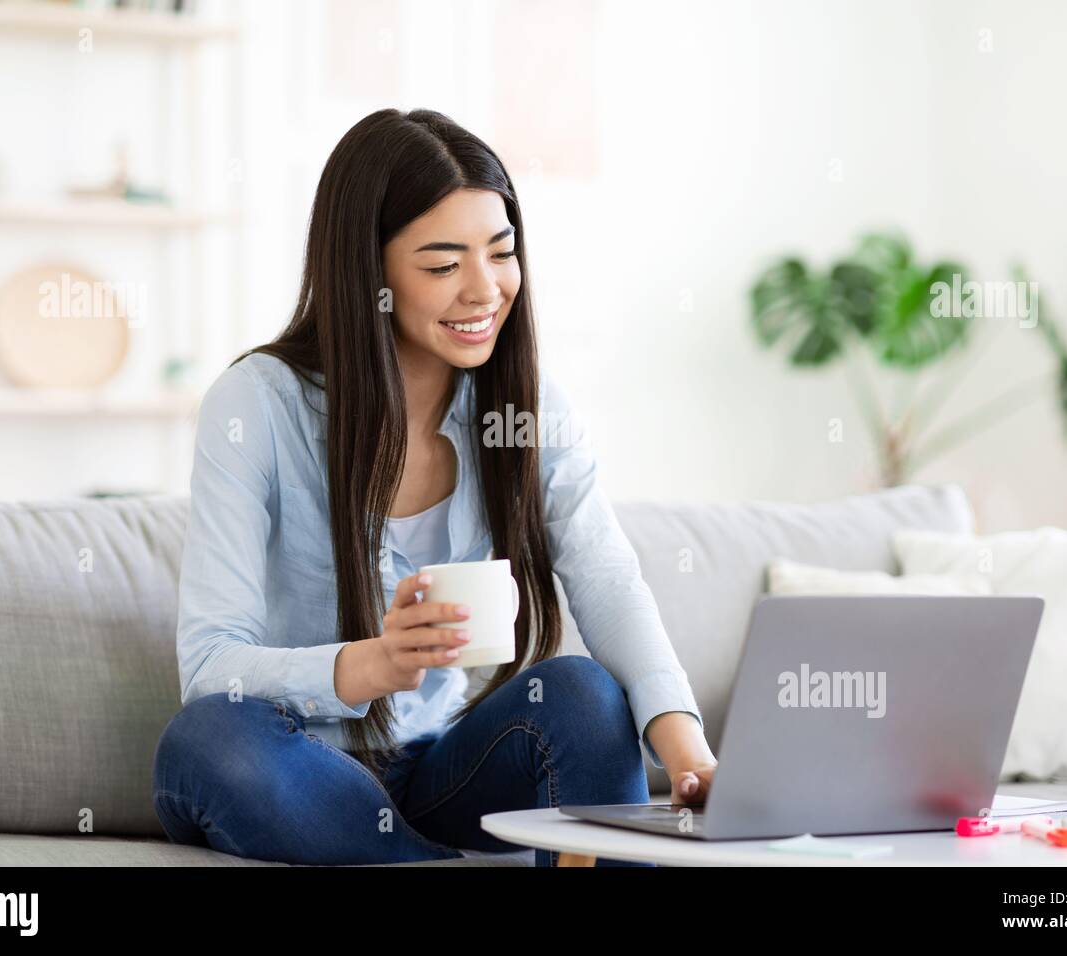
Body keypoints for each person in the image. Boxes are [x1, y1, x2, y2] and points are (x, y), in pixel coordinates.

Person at [151, 108, 716, 867]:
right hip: (290, 761)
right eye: (444, 264)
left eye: (502, 253)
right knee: (208, 735)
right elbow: (211, 664)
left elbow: (606, 575)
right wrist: (370, 666)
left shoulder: (525, 407)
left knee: (581, 694)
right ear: (369, 272)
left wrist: (687, 753)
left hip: (439, 769)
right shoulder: (256, 405)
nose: (485, 290)